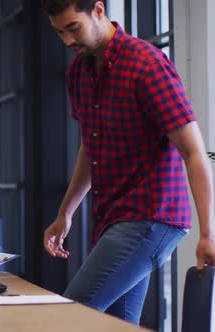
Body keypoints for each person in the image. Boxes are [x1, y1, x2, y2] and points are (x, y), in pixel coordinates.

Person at [41, 0, 215, 325]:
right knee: (118, 325)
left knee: (68, 318)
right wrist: (65, 213)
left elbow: (194, 151)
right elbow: (90, 147)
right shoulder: (78, 72)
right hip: (114, 216)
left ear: (98, 10)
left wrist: (208, 234)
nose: (67, 41)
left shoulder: (145, 64)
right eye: (59, 32)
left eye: (73, 28)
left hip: (152, 216)